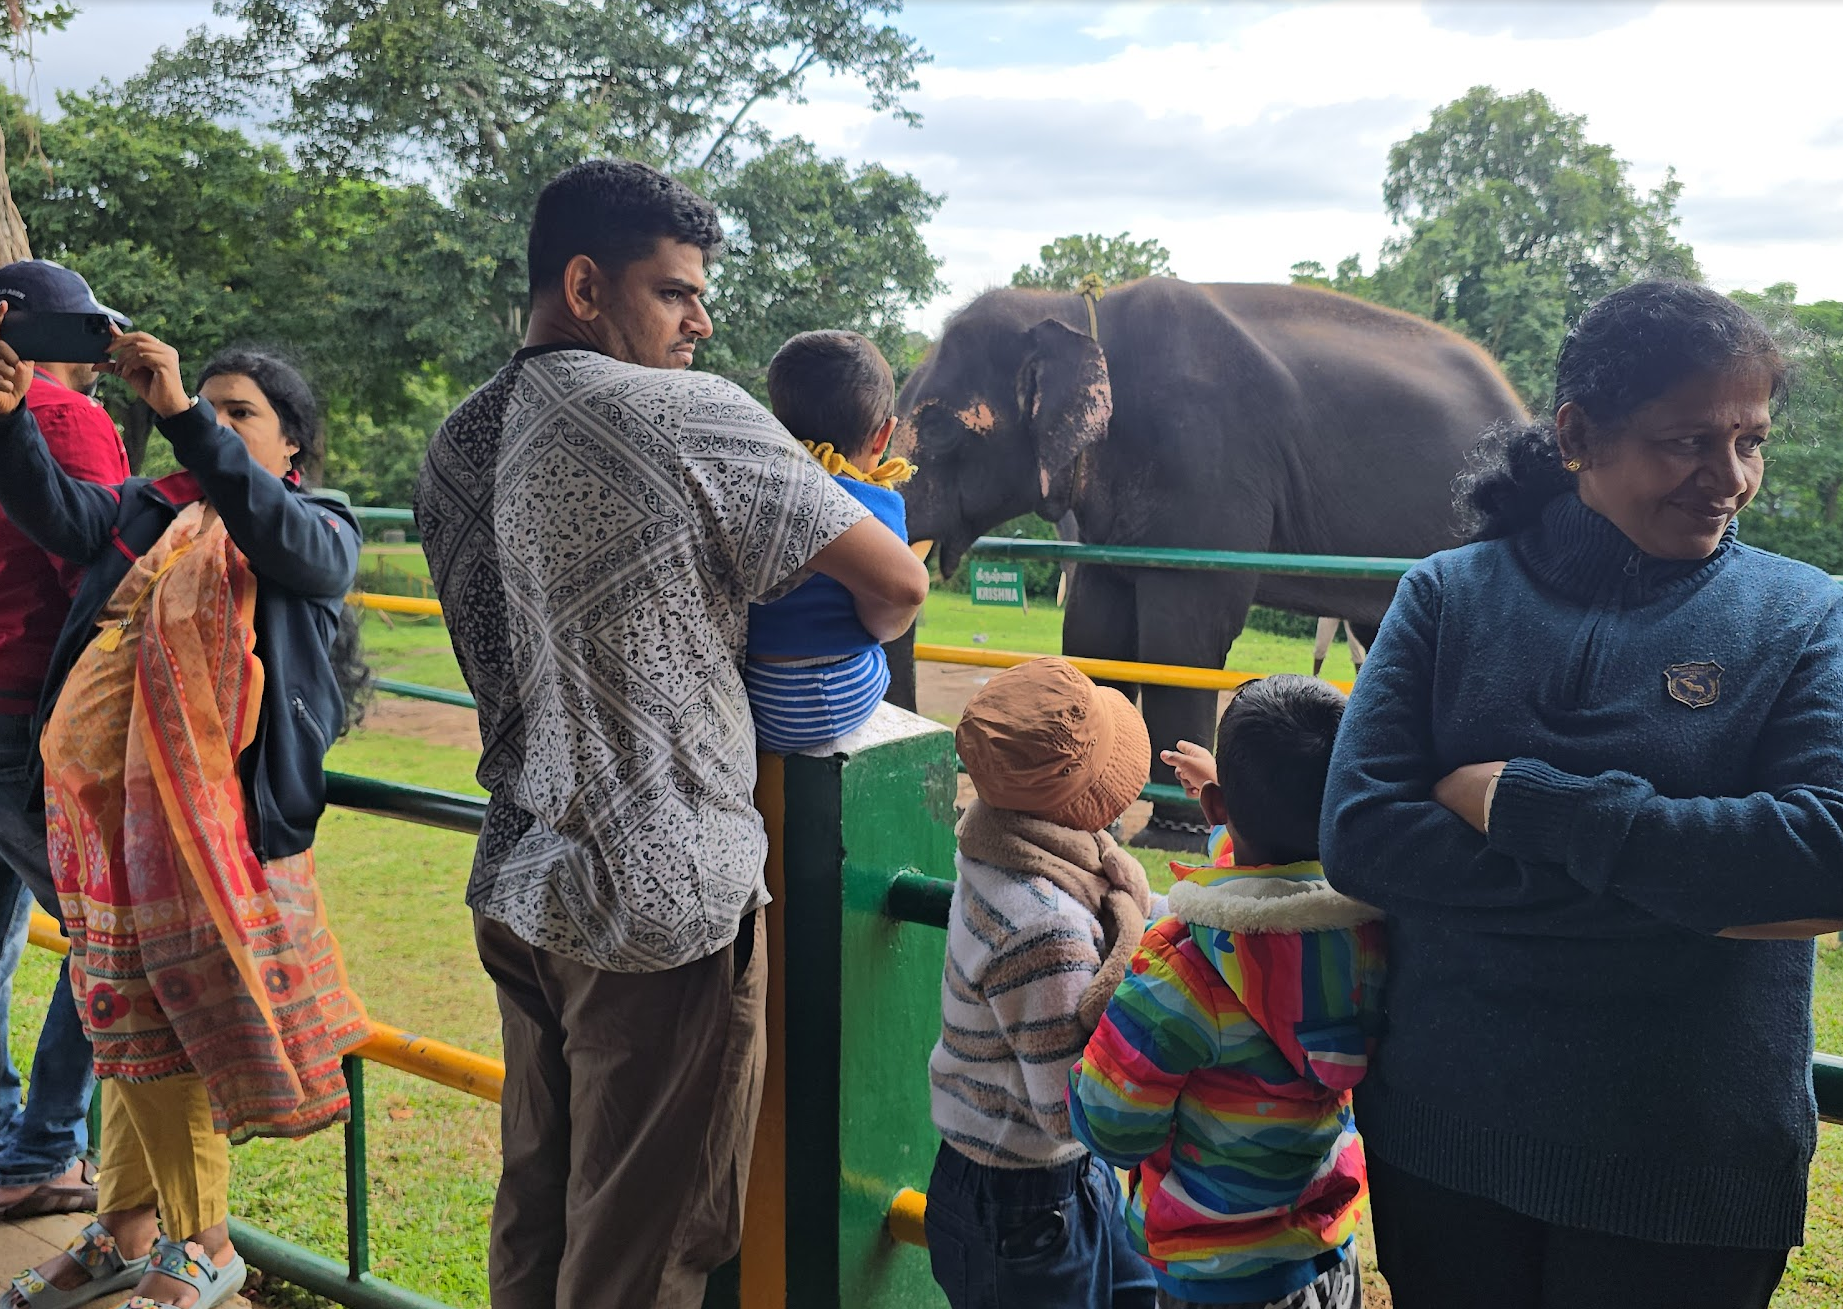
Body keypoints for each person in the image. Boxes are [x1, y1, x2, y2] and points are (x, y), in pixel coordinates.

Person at [414, 158, 928, 1309]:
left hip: (521, 872)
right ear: (586, 286)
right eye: (675, 292)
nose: (701, 320)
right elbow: (895, 587)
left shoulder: (456, 440)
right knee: (646, 1246)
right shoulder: (684, 410)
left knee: (538, 1211)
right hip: (661, 901)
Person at [1320, 281, 1843, 1309]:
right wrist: (1695, 890)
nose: (1728, 477)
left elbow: (1822, 850)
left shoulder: (1806, 614)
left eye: (1749, 440)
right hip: (1445, 1145)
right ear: (1575, 437)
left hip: (1692, 1167)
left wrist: (1529, 805)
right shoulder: (1446, 593)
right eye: (1688, 440)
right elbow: (1365, 836)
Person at [0, 321, 370, 1309]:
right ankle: (124, 1228)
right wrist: (7, 423)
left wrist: (179, 414)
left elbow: (280, 539)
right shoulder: (151, 510)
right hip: (109, 820)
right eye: (209, 408)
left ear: (292, 443)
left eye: (238, 413)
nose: (215, 425)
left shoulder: (315, 522)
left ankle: (203, 1243)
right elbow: (57, 514)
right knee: (121, 1008)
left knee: (173, 1020)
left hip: (225, 830)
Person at [1069, 676, 1385, 1309]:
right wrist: (1231, 801)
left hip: (1217, 1272)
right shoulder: (1372, 933)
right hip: (1325, 1251)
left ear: (1215, 811)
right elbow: (1282, 881)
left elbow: (1114, 1128)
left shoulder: (1182, 969)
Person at [924, 655, 1158, 1309]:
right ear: (1077, 800)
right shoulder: (1042, 924)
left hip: (1059, 1178)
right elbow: (1066, 1105)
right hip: (1023, 1203)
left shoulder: (1005, 847)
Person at [0, 261, 131, 1222]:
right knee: (106, 928)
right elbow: (111, 556)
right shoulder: (65, 417)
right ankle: (46, 1145)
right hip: (35, 709)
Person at [745, 329, 914, 751]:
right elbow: (885, 623)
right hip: (848, 692)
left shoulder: (756, 488)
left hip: (758, 698)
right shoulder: (880, 505)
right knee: (876, 655)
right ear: (883, 435)